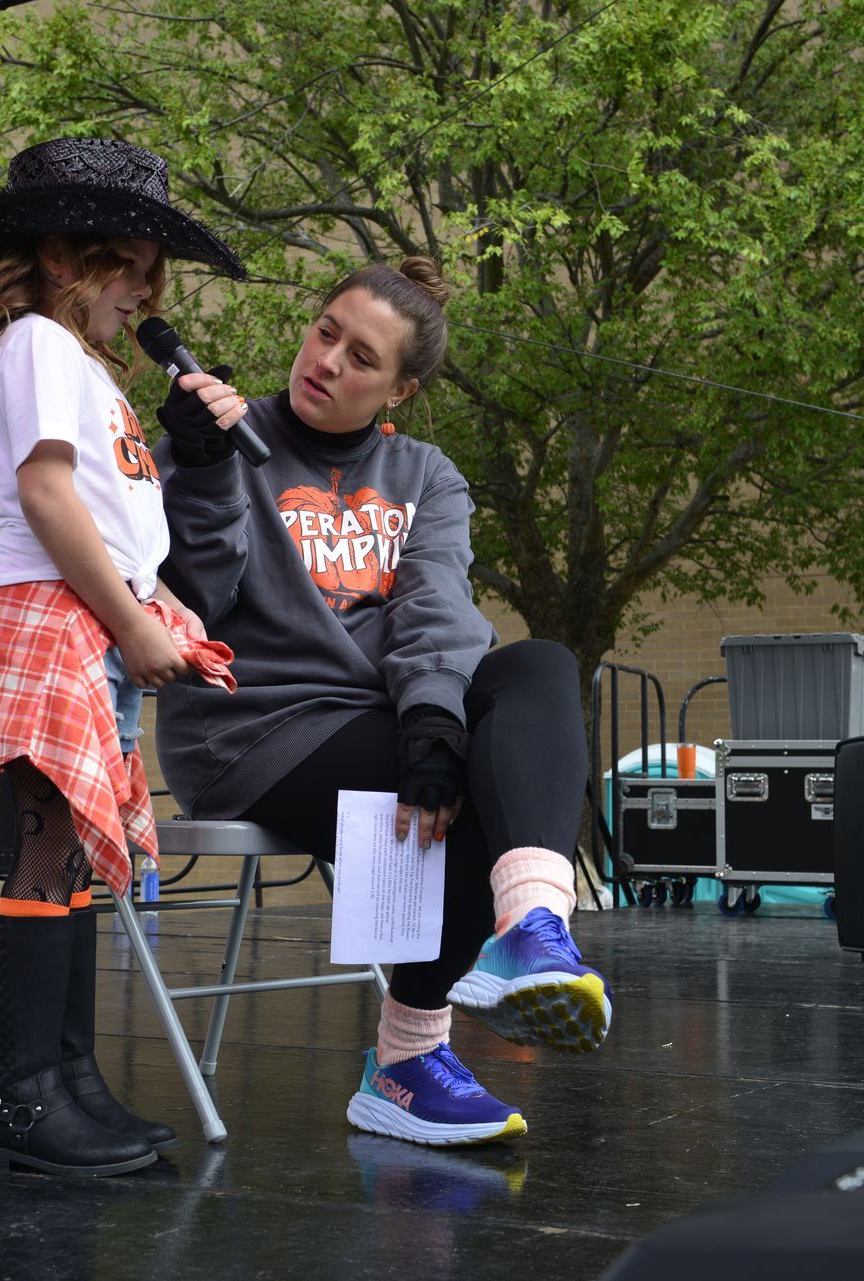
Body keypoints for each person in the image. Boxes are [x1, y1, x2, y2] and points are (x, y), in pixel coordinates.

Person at [152, 257, 610, 1147]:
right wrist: (204, 471)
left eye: (362, 357)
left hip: (378, 712)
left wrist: (431, 720)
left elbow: (436, 603)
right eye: (325, 331)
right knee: (477, 784)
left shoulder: (424, 474)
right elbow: (195, 603)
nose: (326, 361)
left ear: (399, 387)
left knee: (542, 663)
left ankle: (533, 926)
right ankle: (408, 1060)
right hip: (254, 728)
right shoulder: (216, 439)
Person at [0, 136, 245, 1177]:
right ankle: (16, 1096)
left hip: (92, 620)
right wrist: (136, 621)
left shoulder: (86, 371)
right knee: (43, 850)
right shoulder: (40, 349)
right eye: (132, 270)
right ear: (65, 258)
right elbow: (50, 497)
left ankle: (64, 1080)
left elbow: (114, 512)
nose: (146, 296)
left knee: (65, 858)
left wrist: (154, 615)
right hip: (57, 617)